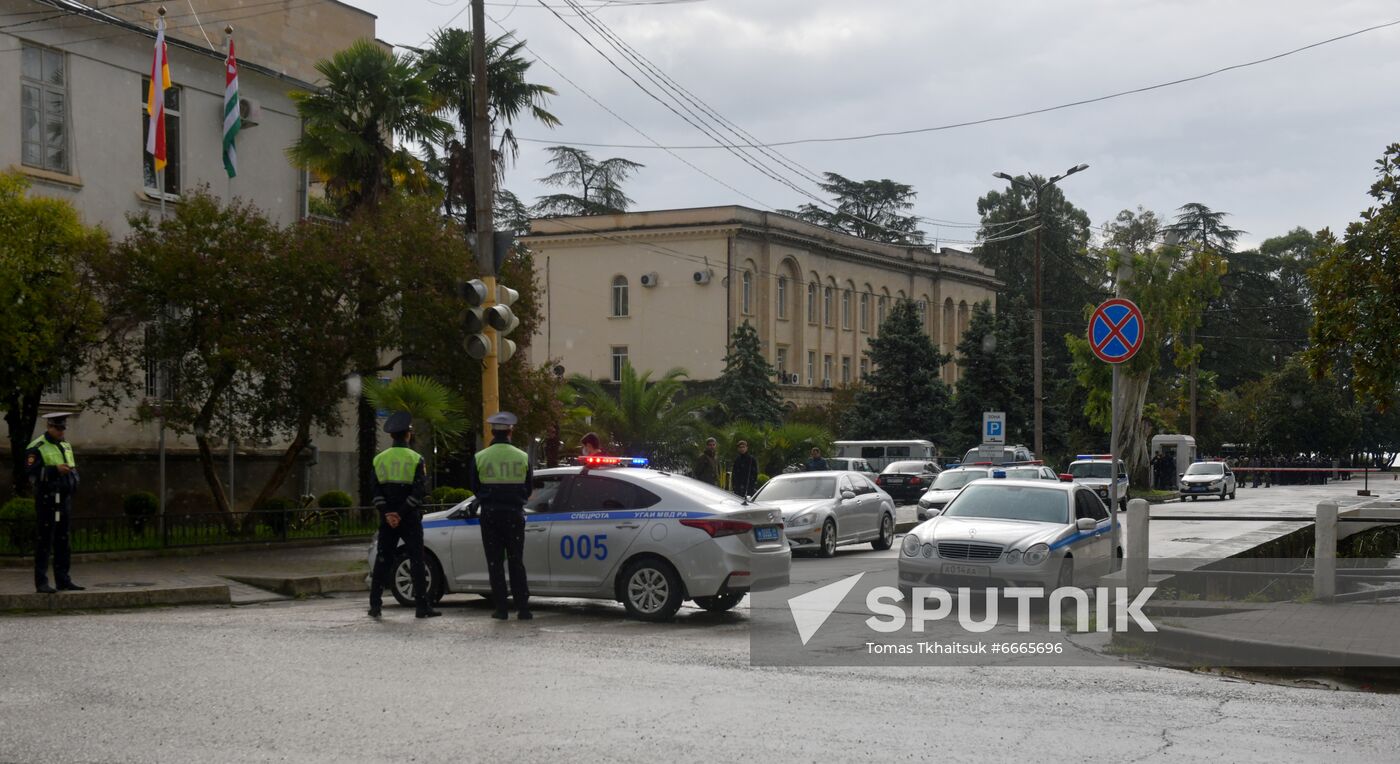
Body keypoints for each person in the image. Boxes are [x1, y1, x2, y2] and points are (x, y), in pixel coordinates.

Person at [367, 412, 439, 619]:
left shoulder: (379, 459)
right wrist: (401, 513)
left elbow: (375, 490)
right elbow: (418, 492)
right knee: (417, 559)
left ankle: (375, 605)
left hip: (387, 517)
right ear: (408, 435)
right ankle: (422, 606)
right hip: (409, 517)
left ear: (392, 436)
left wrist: (388, 513)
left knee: (383, 559)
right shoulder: (416, 458)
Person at [470, 411, 534, 620]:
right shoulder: (522, 456)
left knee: (495, 563)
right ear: (510, 431)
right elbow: (528, 488)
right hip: (514, 514)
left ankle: (501, 608)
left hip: (490, 515)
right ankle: (523, 608)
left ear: (491, 432)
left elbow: (475, 488)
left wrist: (490, 498)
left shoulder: (480, 457)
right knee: (517, 561)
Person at [27, 412, 83, 594]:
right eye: (57, 428)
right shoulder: (37, 447)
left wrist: (73, 479)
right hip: (47, 499)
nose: (61, 432)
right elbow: (31, 474)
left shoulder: (65, 445)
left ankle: (63, 580)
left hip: (63, 499)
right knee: (45, 541)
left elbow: (72, 467)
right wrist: (54, 470)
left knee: (63, 540)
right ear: (49, 427)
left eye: (63, 428)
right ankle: (41, 582)